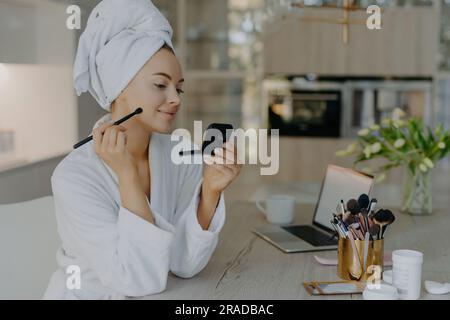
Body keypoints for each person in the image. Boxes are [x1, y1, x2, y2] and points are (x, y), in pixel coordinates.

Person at [43, 0, 241, 300]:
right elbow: (135, 280)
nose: (175, 98)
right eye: (160, 85)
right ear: (119, 87)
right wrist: (127, 174)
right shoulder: (73, 177)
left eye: (179, 88)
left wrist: (210, 192)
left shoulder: (180, 154)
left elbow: (183, 265)